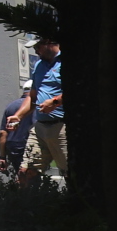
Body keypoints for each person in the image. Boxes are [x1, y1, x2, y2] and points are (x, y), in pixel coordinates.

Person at [19, 38, 66, 186]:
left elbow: (80, 88)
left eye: (37, 47)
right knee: (26, 172)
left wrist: (55, 102)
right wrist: (18, 116)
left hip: (62, 127)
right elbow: (32, 96)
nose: (36, 51)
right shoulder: (39, 65)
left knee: (71, 173)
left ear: (48, 44)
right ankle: (28, 200)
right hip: (40, 127)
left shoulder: (67, 61)